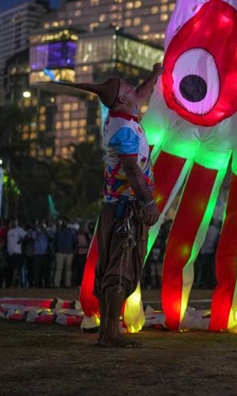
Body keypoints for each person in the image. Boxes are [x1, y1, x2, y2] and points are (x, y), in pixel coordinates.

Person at [50, 66, 161, 347]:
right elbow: (131, 170)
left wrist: (156, 74)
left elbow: (141, 93)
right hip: (126, 206)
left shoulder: (122, 115)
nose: (132, 88)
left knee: (114, 266)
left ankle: (108, 330)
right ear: (123, 100)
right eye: (126, 88)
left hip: (118, 205)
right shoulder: (123, 129)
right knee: (120, 267)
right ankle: (110, 332)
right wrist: (148, 200)